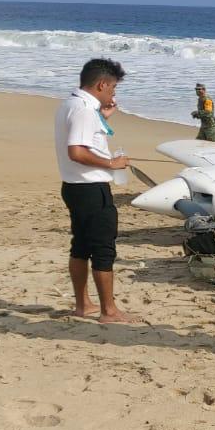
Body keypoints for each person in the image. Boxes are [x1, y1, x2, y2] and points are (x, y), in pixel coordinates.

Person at [54, 58, 134, 323]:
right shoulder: (84, 111)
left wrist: (103, 116)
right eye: (112, 89)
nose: (113, 94)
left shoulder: (73, 104)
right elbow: (76, 151)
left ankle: (83, 305)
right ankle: (108, 311)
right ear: (101, 84)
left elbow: (86, 135)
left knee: (81, 246)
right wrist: (111, 163)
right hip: (90, 187)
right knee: (102, 249)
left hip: (74, 186)